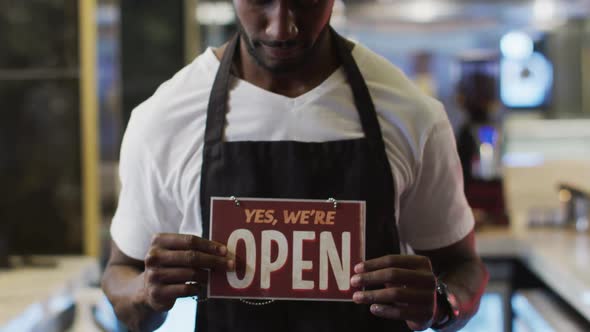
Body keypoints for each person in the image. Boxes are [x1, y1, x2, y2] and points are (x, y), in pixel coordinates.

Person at [102, 1, 489, 331]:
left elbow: (464, 266)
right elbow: (120, 275)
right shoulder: (164, 118)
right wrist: (144, 293)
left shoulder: (411, 114)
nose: (282, 26)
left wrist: (442, 303)